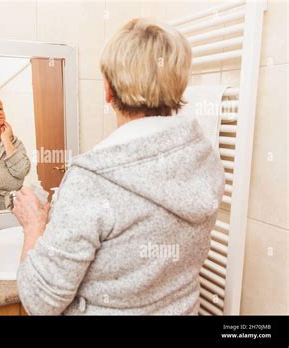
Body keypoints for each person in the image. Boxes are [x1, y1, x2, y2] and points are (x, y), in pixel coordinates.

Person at [12, 18, 225, 315]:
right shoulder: (205, 159)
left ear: (108, 90)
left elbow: (40, 301)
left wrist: (34, 226)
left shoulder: (93, 179)